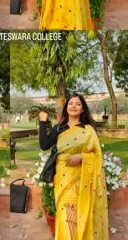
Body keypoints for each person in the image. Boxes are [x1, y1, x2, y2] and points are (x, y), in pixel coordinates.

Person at [39, 94, 108, 240]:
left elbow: (97, 154)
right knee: (66, 212)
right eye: (71, 103)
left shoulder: (88, 130)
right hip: (63, 177)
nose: (74, 106)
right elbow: (44, 145)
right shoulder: (59, 128)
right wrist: (43, 122)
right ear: (66, 108)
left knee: (79, 212)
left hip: (82, 178)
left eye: (78, 104)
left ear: (82, 109)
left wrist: (83, 157)